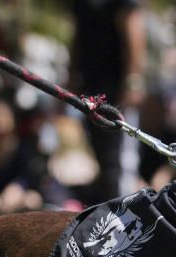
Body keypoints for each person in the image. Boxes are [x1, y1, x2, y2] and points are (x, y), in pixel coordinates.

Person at [71, 0, 147, 203]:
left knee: (120, 163)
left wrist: (133, 80)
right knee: (103, 160)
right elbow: (79, 35)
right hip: (91, 88)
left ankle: (122, 213)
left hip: (117, 90)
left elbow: (134, 28)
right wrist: (71, 77)